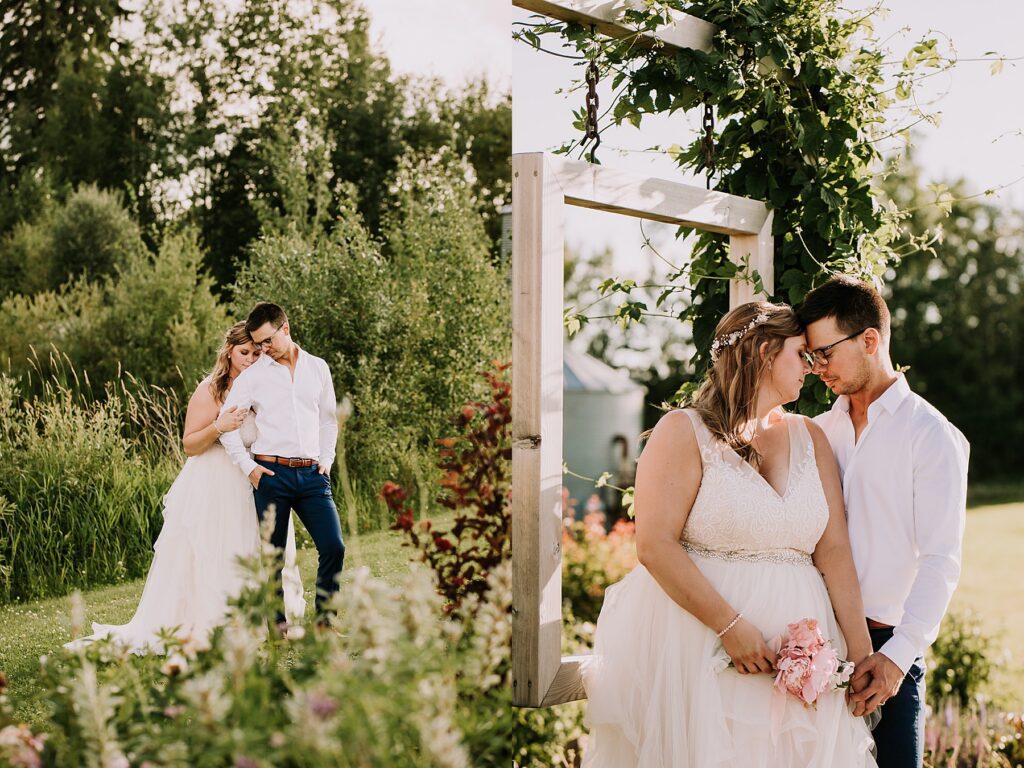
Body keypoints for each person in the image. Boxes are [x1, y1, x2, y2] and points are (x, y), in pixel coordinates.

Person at [582, 301, 876, 767]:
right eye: (801, 354)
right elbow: (655, 545)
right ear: (763, 352)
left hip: (806, 661)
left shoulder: (811, 437)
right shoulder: (683, 431)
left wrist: (861, 653)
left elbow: (834, 551)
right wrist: (731, 627)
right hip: (709, 650)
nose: (811, 366)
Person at [799, 276, 969, 768]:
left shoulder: (931, 435)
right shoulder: (818, 432)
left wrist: (898, 657)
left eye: (825, 353)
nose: (817, 369)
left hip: (887, 653)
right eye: (810, 358)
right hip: (814, 646)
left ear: (870, 341)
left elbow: (941, 560)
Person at [67, 323, 305, 652]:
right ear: (230, 352)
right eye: (243, 352)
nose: (250, 359)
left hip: (258, 481)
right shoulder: (211, 389)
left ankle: (269, 621)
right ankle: (218, 624)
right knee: (220, 553)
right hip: (217, 482)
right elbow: (190, 444)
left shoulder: (265, 386)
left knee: (260, 549)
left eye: (255, 352)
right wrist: (219, 426)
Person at [219, 302, 344, 629]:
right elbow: (226, 424)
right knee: (272, 558)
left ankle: (325, 624)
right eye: (257, 344)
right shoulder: (253, 376)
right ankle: (278, 626)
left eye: (268, 341)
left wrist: (327, 461)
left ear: (285, 329)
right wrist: (249, 468)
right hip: (271, 475)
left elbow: (328, 421)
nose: (263, 350)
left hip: (313, 475)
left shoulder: (318, 368)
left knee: (334, 546)